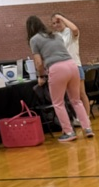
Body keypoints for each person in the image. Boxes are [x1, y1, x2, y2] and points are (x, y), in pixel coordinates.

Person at [26, 15, 94, 143]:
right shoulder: (56, 35)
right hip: (72, 65)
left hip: (57, 69)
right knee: (76, 100)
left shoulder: (34, 40)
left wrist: (41, 76)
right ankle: (87, 128)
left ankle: (68, 132)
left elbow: (39, 62)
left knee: (58, 103)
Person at [50, 12, 90, 123]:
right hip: (63, 69)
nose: (56, 24)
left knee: (81, 94)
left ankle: (86, 118)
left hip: (75, 66)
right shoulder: (55, 36)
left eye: (58, 22)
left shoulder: (70, 32)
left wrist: (61, 17)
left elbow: (75, 29)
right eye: (53, 23)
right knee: (72, 97)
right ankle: (77, 117)